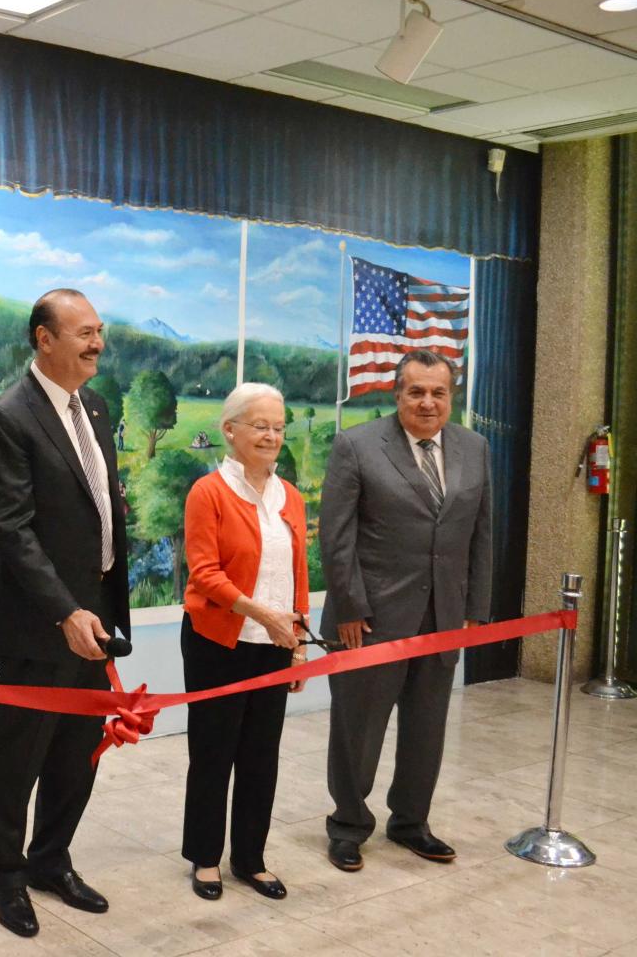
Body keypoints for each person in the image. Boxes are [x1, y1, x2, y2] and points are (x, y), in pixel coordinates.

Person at [0, 289, 128, 938]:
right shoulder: (9, 416)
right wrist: (65, 610)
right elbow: (13, 531)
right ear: (44, 339)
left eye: (98, 332)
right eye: (83, 333)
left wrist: (100, 608)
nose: (96, 344)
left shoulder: (92, 405)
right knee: (19, 757)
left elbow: (99, 508)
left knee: (77, 753)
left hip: (95, 620)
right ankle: (7, 877)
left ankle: (50, 860)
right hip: (41, 626)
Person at [319, 349, 491, 873]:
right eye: (416, 391)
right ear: (396, 394)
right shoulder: (357, 445)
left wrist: (474, 612)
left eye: (438, 392)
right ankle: (348, 826)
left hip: (442, 618)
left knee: (427, 728)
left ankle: (411, 822)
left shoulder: (474, 447)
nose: (428, 402)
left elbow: (482, 534)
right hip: (368, 622)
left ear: (451, 396)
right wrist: (349, 606)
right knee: (359, 729)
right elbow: (336, 534)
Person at [180, 382, 308, 902]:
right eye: (260, 426)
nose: (271, 435)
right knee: (214, 751)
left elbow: (298, 575)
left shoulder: (290, 496)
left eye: (278, 427)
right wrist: (262, 615)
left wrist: (297, 642)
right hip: (219, 640)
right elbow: (204, 573)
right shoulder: (207, 492)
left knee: (262, 755)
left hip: (275, 644)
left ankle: (250, 858)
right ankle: (205, 858)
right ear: (230, 430)